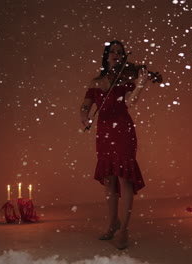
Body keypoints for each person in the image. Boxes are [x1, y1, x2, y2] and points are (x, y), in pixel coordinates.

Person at [80, 40, 149, 250]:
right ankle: (113, 222)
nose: (117, 55)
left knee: (124, 178)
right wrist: (84, 118)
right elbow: (85, 106)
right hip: (104, 131)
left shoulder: (127, 78)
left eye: (120, 52)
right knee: (109, 179)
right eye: (113, 52)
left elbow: (130, 102)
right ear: (106, 55)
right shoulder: (96, 81)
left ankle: (124, 230)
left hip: (123, 130)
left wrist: (140, 84)